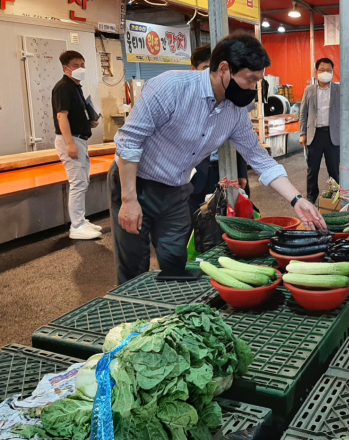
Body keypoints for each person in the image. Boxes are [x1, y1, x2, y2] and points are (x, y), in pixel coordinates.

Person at [110, 35, 326, 284]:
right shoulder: (170, 87)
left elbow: (260, 159)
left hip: (177, 189)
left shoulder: (234, 111)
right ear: (224, 69)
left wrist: (297, 200)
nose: (253, 87)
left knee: (174, 261)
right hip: (135, 182)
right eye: (250, 79)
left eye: (258, 80)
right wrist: (129, 200)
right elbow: (129, 142)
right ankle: (129, 317)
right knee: (133, 264)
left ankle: (168, 316)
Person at [188, 44, 251, 223]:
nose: (212, 75)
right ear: (194, 69)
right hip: (196, 173)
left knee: (227, 220)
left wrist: (242, 172)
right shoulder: (186, 100)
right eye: (206, 69)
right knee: (196, 220)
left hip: (225, 170)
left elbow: (241, 138)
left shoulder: (232, 98)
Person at [52, 50, 101, 240]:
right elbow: (61, 116)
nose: (81, 68)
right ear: (66, 68)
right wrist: (70, 143)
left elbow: (73, 114)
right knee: (78, 183)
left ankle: (81, 219)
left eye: (82, 64)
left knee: (82, 181)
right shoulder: (63, 87)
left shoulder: (75, 87)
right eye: (75, 65)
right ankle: (77, 226)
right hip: (71, 141)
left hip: (79, 139)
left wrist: (89, 122)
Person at [299, 58, 341, 204]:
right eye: (322, 70)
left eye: (328, 70)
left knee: (334, 169)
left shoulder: (338, 90)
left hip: (332, 135)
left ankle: (336, 196)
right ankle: (311, 196)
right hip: (314, 135)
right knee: (312, 169)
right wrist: (302, 133)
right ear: (316, 72)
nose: (325, 73)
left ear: (333, 72)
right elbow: (303, 113)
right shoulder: (309, 90)